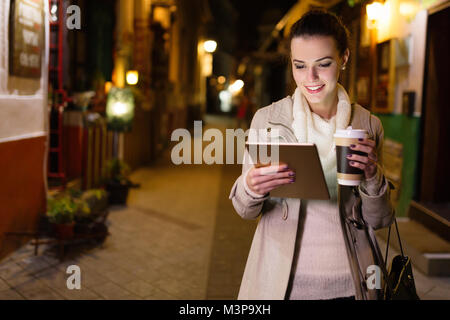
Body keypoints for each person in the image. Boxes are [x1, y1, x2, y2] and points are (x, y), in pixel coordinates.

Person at [229, 10, 394, 300]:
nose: (311, 78)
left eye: (323, 64)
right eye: (300, 66)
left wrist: (372, 177)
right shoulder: (267, 121)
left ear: (344, 58)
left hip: (352, 282)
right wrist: (250, 188)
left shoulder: (367, 125)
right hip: (281, 283)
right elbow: (245, 210)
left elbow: (379, 220)